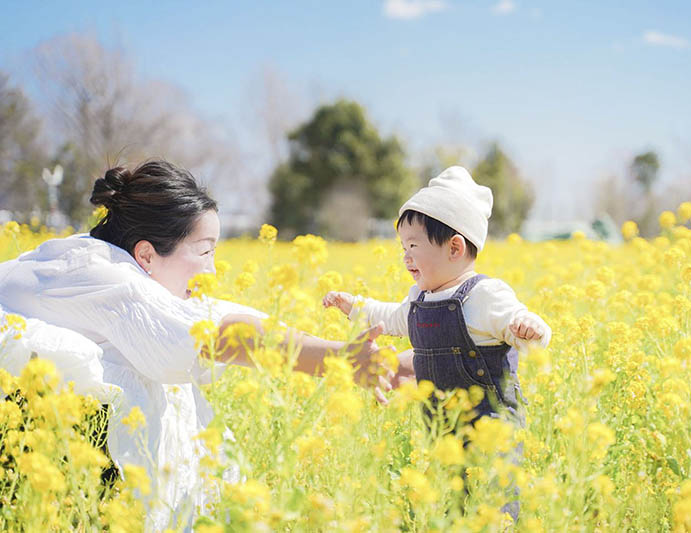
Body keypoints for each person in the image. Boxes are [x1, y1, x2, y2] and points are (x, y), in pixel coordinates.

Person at [0, 160, 389, 530]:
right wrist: (340, 360)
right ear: (147, 253)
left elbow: (212, 312)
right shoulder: (107, 280)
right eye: (205, 251)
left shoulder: (86, 254)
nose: (213, 269)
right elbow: (216, 333)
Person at [324, 166, 551, 518]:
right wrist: (355, 307)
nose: (406, 256)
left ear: (455, 247)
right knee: (454, 505)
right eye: (403, 247)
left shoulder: (484, 294)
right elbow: (393, 318)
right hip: (442, 429)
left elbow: (522, 324)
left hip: (492, 430)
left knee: (495, 506)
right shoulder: (419, 298)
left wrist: (530, 328)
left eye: (413, 245)